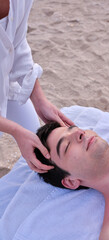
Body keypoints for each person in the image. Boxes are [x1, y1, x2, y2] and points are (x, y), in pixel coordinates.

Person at [0, 0, 73, 173]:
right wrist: (15, 131)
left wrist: (39, 100)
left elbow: (16, 44)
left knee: (41, 149)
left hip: (5, 86)